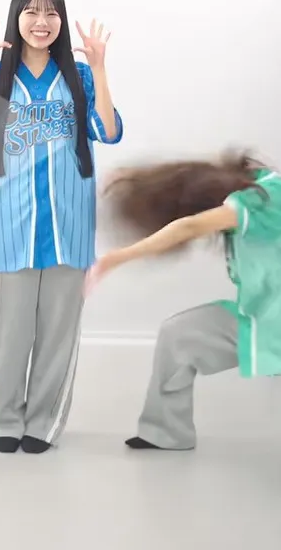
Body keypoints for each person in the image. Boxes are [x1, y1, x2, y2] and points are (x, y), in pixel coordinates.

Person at [0, 0, 123, 454]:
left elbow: (108, 131)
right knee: (12, 332)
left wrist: (100, 69)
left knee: (58, 332)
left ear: (60, 21)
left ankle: (43, 423)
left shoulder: (78, 75)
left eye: (51, 13)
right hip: (12, 220)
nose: (41, 22)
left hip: (68, 219)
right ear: (17, 18)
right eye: (31, 12)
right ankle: (2, 420)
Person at [86, 150, 281, 450]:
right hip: (261, 316)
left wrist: (113, 259)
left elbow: (189, 226)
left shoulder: (255, 202)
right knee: (179, 335)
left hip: (273, 323)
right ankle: (166, 433)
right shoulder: (262, 185)